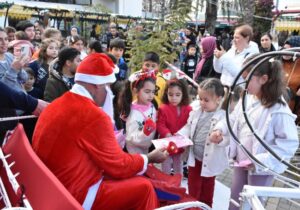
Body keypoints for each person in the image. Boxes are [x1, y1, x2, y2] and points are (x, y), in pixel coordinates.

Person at [32, 53, 168, 209]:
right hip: (75, 194)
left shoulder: (56, 105)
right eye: (108, 86)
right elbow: (119, 166)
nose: (109, 93)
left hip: (50, 187)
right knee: (144, 187)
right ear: (97, 85)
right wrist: (149, 158)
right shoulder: (92, 115)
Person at [210, 59, 299, 210]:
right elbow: (233, 119)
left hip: (261, 168)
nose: (244, 84)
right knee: (236, 197)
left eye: (247, 79)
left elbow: (288, 144)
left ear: (264, 79)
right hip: (241, 162)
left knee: (252, 202)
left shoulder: (279, 110)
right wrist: (220, 130)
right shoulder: (247, 98)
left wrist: (259, 161)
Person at [178, 78, 228, 207]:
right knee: (193, 186)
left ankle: (206, 207)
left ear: (218, 99)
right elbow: (188, 127)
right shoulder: (196, 113)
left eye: (206, 100)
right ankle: (192, 206)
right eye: (200, 99)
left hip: (210, 161)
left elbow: (226, 135)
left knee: (207, 187)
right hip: (194, 158)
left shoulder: (223, 116)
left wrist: (219, 137)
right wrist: (180, 135)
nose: (202, 103)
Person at [157, 79, 192, 175]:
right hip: (166, 143)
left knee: (179, 165)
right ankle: (166, 183)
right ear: (166, 94)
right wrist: (167, 133)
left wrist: (183, 136)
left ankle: (178, 183)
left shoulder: (189, 109)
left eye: (177, 95)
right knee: (166, 166)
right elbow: (160, 124)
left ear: (183, 95)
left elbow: (189, 124)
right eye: (170, 94)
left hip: (180, 144)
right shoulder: (163, 108)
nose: (174, 98)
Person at [120, 69, 157, 154]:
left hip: (146, 146)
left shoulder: (151, 106)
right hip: (134, 150)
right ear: (136, 91)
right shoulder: (133, 112)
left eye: (153, 92)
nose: (151, 95)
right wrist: (144, 133)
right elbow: (130, 137)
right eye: (147, 92)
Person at [281, 35, 300, 125]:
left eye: (290, 50)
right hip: (276, 102)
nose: (286, 52)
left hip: (293, 106)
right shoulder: (276, 61)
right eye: (285, 49)